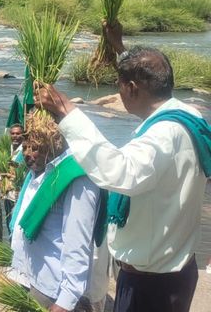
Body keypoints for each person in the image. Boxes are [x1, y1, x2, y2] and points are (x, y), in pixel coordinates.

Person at [36, 47, 210, 312]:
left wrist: (67, 112)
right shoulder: (190, 117)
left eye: (119, 86)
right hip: (176, 270)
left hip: (152, 285)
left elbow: (120, 172)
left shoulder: (163, 134)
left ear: (131, 88)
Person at [8, 121, 102, 312]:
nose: (26, 153)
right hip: (30, 277)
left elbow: (77, 243)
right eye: (25, 147)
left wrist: (66, 300)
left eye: (35, 147)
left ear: (54, 142)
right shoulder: (37, 175)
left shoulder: (74, 177)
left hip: (53, 290)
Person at [4, 124, 25, 230]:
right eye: (12, 133)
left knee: (16, 227)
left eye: (18, 133)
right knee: (9, 225)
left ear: (23, 135)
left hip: (18, 195)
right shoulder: (7, 149)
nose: (15, 136)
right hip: (7, 195)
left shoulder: (25, 151)